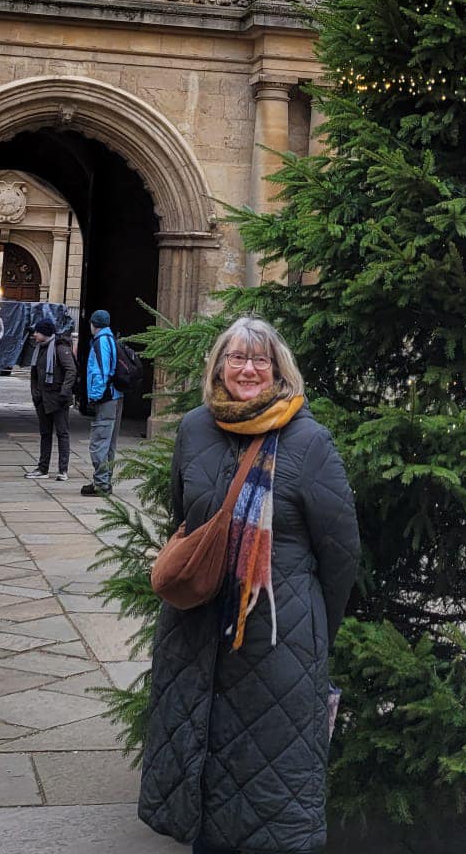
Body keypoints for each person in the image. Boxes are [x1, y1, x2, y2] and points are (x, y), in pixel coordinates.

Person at [138, 318, 360, 854]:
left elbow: (340, 551)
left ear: (280, 370)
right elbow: (185, 517)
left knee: (271, 777)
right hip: (196, 629)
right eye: (236, 358)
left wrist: (312, 628)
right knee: (203, 760)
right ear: (218, 366)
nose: (248, 369)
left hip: (278, 633)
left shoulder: (307, 440)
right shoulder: (195, 428)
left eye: (261, 360)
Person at [24, 315, 76, 484]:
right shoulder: (39, 348)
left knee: (62, 433)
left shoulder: (60, 348)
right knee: (45, 434)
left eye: (37, 332)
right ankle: (43, 468)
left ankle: (63, 470)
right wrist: (35, 393)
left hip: (58, 399)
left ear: (45, 333)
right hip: (43, 399)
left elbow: (71, 371)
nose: (34, 335)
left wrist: (64, 392)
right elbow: (34, 373)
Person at [82, 307, 122, 499]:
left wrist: (95, 397)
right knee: (109, 442)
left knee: (99, 441)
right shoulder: (111, 339)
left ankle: (102, 484)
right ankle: (104, 480)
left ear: (93, 324)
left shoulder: (101, 342)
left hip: (106, 397)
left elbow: (100, 371)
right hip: (115, 396)